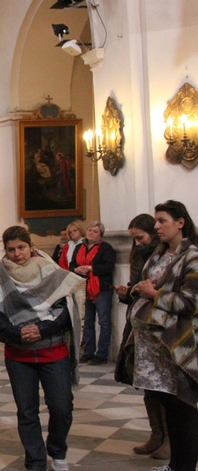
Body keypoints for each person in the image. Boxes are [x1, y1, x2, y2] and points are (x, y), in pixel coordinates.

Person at [0, 225, 84, 471]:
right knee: (27, 412)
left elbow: (65, 311)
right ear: (5, 250)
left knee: (62, 407)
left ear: (31, 246)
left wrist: (41, 329)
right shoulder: (2, 273)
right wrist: (16, 332)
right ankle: (36, 462)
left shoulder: (50, 268)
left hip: (53, 350)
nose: (17, 254)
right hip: (18, 354)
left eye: (21, 247)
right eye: (11, 249)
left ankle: (57, 449)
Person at [130, 200, 198, 471]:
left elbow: (190, 303)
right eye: (155, 221)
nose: (156, 225)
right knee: (171, 409)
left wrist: (154, 294)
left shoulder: (192, 256)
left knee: (184, 411)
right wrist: (134, 291)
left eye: (162, 221)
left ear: (180, 222)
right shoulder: (158, 254)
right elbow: (147, 285)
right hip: (157, 350)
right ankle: (175, 465)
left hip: (178, 345)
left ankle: (184, 466)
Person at [113, 214, 169, 460]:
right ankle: (156, 435)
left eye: (140, 238)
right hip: (138, 327)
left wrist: (149, 292)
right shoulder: (140, 257)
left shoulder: (166, 258)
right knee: (147, 384)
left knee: (164, 385)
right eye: (134, 240)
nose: (137, 244)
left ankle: (170, 439)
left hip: (160, 327)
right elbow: (137, 289)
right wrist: (126, 293)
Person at [70, 221, 116, 365]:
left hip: (101, 288)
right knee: (88, 321)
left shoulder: (106, 248)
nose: (91, 233)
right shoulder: (79, 247)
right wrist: (77, 269)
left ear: (100, 235)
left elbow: (108, 267)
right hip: (84, 287)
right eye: (90, 230)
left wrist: (91, 268)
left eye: (95, 231)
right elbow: (72, 264)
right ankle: (88, 352)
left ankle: (101, 353)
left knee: (103, 322)